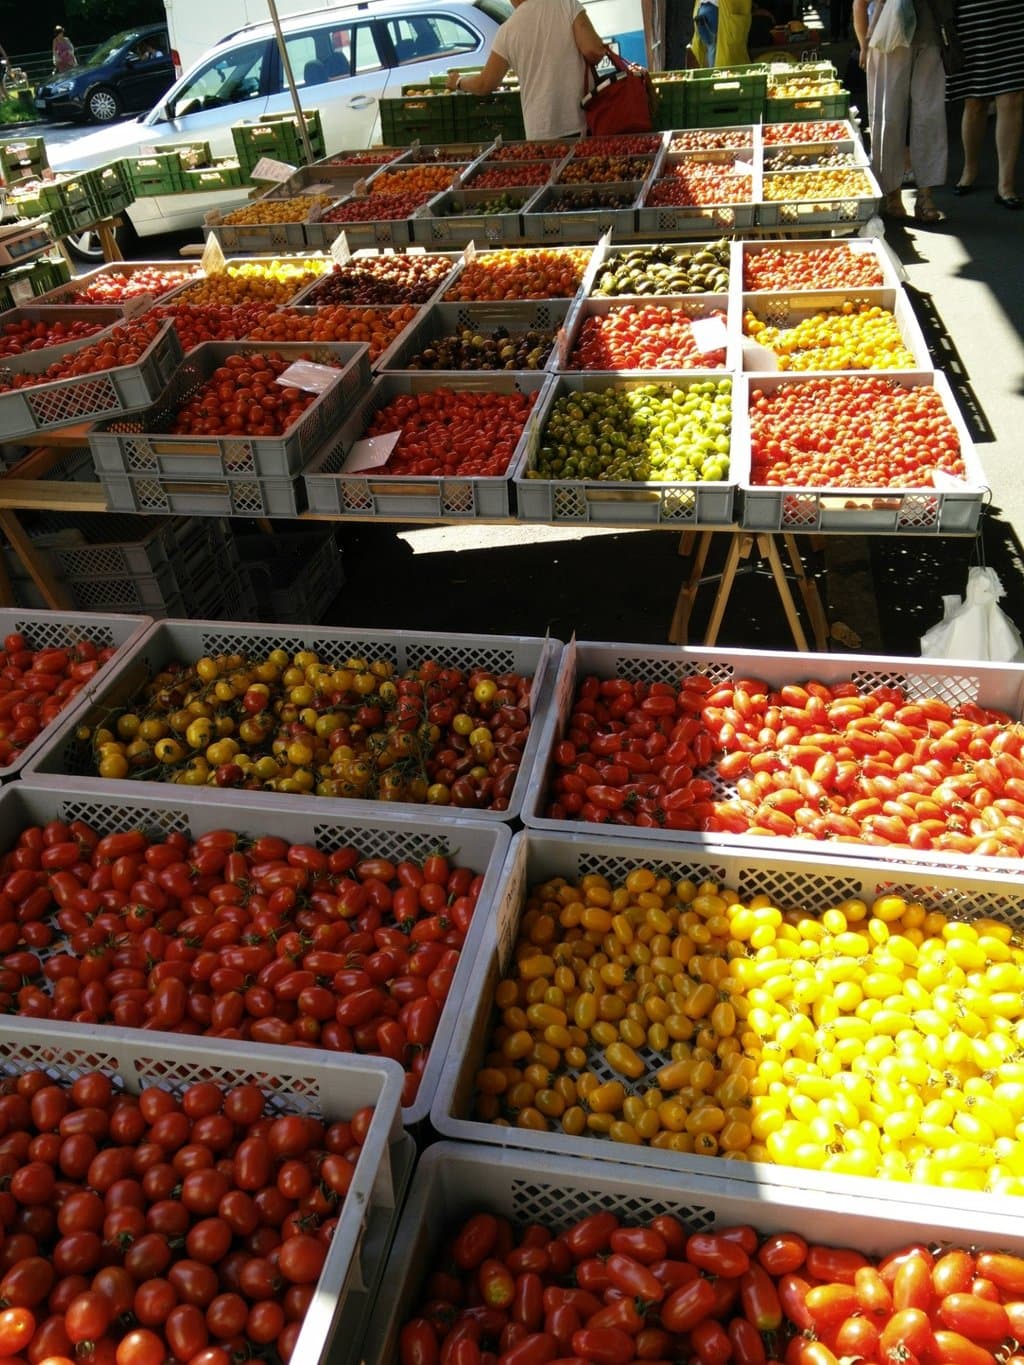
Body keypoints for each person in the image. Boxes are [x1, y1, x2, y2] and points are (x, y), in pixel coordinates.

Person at [445, 0, 606, 142]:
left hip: (541, 131)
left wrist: (458, 81)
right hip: (582, 121)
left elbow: (485, 84)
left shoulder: (507, 30)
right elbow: (594, 50)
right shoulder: (566, 4)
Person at [853, 0, 947, 223]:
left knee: (927, 115)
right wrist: (865, 44)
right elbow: (859, 3)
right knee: (891, 116)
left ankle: (923, 196)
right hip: (889, 32)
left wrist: (865, 43)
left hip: (927, 31)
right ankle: (892, 192)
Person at [946, 0, 1023, 210]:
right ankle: (970, 169)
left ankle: (1006, 185)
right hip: (972, 24)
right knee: (975, 101)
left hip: (1014, 19)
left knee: (1012, 98)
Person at [690, 0, 752, 67]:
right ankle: (714, 74)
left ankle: (711, 73)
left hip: (702, 9)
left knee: (709, 49)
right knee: (714, 51)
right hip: (716, 11)